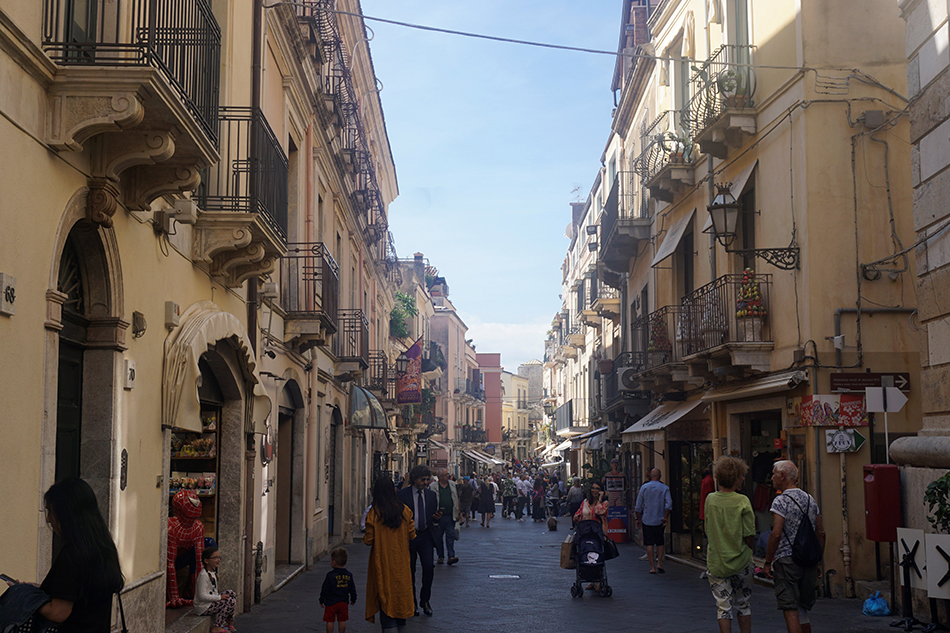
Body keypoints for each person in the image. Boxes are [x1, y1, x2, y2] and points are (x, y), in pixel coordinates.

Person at [5, 477, 126, 632]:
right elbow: (80, 594)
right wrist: (37, 589)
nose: (48, 519)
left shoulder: (73, 554)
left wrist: (25, 598)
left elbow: (58, 612)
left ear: (67, 514)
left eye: (51, 511)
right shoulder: (103, 547)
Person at [764, 460, 825, 633]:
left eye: (774, 474)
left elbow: (776, 534)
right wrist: (818, 561)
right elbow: (821, 533)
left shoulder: (780, 501)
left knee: (790, 609)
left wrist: (768, 561)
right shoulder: (810, 499)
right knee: (802, 609)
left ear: (782, 475)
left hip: (787, 561)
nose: (772, 478)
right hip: (808, 561)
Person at [705, 457, 755, 633]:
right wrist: (751, 550)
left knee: (723, 607)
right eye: (741, 475)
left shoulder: (710, 499)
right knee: (743, 604)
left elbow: (707, 527)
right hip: (741, 560)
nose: (743, 478)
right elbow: (749, 533)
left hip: (717, 561)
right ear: (735, 477)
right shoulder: (742, 501)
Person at [365, 475, 416, 629]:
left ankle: (389, 625)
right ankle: (401, 624)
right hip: (401, 562)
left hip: (382, 562)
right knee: (401, 596)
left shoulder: (374, 513)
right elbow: (412, 534)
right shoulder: (405, 511)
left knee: (384, 593)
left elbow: (368, 540)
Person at [396, 465, 439, 617]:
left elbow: (432, 516)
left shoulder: (431, 495)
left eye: (427, 479)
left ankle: (425, 600)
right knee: (409, 570)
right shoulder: (402, 495)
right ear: (415, 479)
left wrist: (436, 518)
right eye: (423, 480)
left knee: (428, 567)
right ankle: (411, 602)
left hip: (425, 536)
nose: (426, 482)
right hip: (408, 537)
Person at [635, 468, 672, 574]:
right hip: (659, 519)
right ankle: (659, 563)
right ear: (660, 476)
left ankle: (652, 567)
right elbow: (669, 504)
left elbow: (638, 506)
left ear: (650, 476)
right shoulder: (665, 488)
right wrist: (666, 516)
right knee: (660, 542)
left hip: (647, 519)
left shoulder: (644, 487)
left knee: (649, 544)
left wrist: (638, 519)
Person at [194, 547, 238, 633]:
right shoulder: (203, 575)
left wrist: (219, 597)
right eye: (215, 558)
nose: (218, 560)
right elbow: (202, 596)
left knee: (231, 593)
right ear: (206, 561)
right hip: (203, 607)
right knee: (230, 601)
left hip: (210, 603)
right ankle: (216, 626)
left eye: (219, 557)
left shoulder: (212, 573)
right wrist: (219, 598)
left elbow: (214, 591)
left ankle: (229, 620)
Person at [319, 547, 357, 633]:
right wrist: (353, 598)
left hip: (331, 602)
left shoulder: (330, 575)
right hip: (343, 601)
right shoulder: (349, 575)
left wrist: (322, 599)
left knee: (330, 620)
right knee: (342, 620)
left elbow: (325, 589)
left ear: (334, 562)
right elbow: (352, 589)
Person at [428, 468, 459, 565]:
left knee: (450, 536)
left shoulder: (452, 485)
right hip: (438, 516)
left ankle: (451, 556)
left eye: (448, 474)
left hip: (450, 515)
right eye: (445, 475)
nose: (448, 476)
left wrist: (459, 512)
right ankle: (440, 556)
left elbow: (457, 498)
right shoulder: (433, 486)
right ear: (440, 477)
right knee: (438, 537)